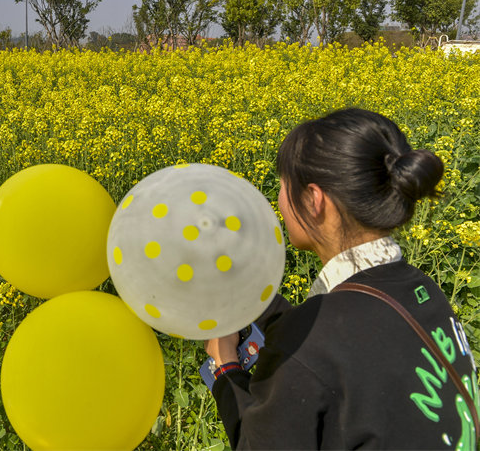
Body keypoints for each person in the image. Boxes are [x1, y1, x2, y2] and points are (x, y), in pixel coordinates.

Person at [205, 108, 478, 449]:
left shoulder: (311, 342)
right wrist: (259, 300)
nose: (278, 202)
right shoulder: (424, 291)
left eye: (283, 186)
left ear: (314, 200)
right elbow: (349, 345)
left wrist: (224, 368)